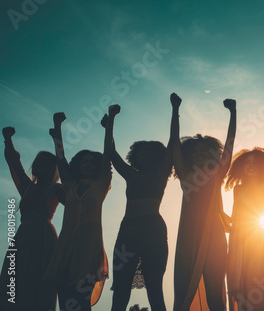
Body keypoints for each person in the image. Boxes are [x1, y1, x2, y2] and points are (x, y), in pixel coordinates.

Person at [102, 104, 173, 311]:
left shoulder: (160, 175)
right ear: (135, 157)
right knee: (121, 288)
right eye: (140, 153)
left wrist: (174, 109)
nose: (144, 156)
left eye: (148, 153)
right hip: (129, 232)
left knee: (155, 288)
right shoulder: (131, 174)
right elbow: (111, 153)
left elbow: (172, 144)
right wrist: (110, 122)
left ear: (156, 156)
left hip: (154, 231)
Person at [44, 108, 114, 311]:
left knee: (81, 302)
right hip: (65, 249)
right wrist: (57, 127)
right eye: (85, 161)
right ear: (78, 165)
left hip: (88, 249)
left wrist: (109, 126)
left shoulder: (101, 185)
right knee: (65, 301)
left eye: (93, 162)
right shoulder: (70, 184)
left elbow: (108, 155)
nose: (88, 164)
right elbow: (60, 158)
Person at [172, 93, 236, 311]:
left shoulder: (217, 174)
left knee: (215, 294)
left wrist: (233, 113)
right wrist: (175, 110)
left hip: (214, 235)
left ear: (212, 155)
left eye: (204, 151)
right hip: (188, 237)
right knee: (183, 292)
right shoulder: (185, 175)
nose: (199, 154)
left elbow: (229, 146)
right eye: (195, 152)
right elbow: (173, 145)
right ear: (188, 155)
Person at [0, 126, 64, 311]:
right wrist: (7, 139)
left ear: (52, 168)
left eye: (45, 163)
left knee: (40, 279)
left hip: (44, 239)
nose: (39, 166)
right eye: (38, 162)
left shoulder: (57, 189)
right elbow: (14, 163)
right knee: (15, 280)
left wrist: (57, 140)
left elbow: (64, 167)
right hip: (23, 238)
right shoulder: (27, 187)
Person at [225, 147, 264, 311]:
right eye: (247, 162)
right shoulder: (237, 189)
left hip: (258, 240)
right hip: (238, 241)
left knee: (257, 280)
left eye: (255, 163)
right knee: (240, 285)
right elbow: (235, 218)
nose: (250, 165)